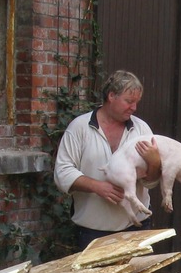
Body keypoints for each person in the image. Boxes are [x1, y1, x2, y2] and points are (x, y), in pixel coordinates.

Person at [53, 70, 162, 251]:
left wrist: (154, 162)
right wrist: (98, 187)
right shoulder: (80, 127)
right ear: (111, 96)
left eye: (136, 102)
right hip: (92, 234)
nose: (134, 108)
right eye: (129, 101)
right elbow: (62, 172)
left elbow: (150, 182)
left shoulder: (141, 129)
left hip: (137, 229)